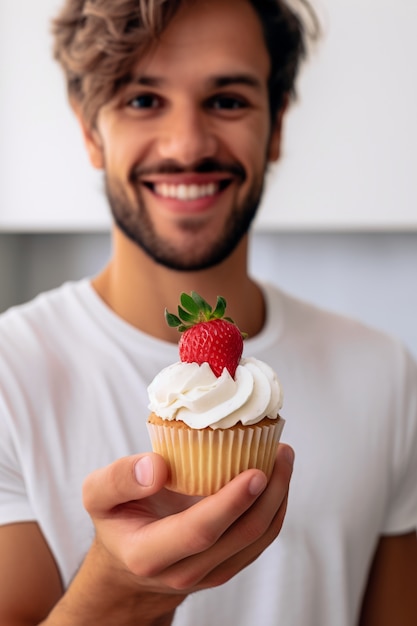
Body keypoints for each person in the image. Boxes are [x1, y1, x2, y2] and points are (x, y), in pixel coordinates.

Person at [0, 0, 416, 624]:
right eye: (143, 100)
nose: (188, 145)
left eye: (227, 100)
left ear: (276, 127)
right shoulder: (9, 375)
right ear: (90, 131)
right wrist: (119, 590)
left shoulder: (383, 372)